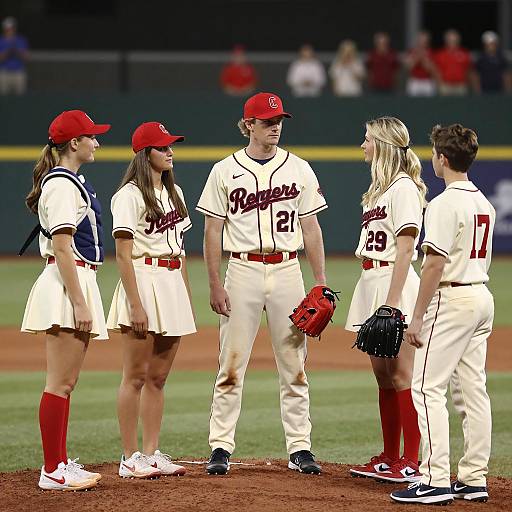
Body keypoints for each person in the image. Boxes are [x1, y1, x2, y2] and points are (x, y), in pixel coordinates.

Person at [196, 92, 328, 476]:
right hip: (242, 271)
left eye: (279, 120)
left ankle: (300, 447)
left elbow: (311, 228)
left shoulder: (299, 168)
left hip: (288, 269)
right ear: (248, 125)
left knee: (294, 365)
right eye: (267, 121)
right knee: (231, 364)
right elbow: (212, 230)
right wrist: (214, 283)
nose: (275, 126)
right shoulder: (224, 170)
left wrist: (319, 282)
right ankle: (220, 446)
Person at [391, 124, 495, 505]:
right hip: (481, 295)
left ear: (443, 159)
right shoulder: (484, 202)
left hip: (452, 299)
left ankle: (433, 478)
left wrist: (416, 317)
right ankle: (473, 477)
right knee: (472, 390)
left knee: (425, 386)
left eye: (434, 152)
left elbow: (434, 264)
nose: (432, 158)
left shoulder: (444, 203)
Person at [21, 110, 111, 490]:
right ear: (74, 143)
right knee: (58, 382)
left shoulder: (70, 181)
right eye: (91, 136)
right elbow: (61, 245)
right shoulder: (60, 184)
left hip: (72, 279)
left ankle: (58, 463)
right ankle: (52, 469)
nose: (97, 142)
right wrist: (79, 301)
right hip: (65, 281)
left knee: (66, 382)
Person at [107, 122, 195, 479]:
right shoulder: (128, 195)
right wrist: (135, 303)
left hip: (171, 281)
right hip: (144, 279)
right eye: (163, 147)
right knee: (135, 377)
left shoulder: (175, 194)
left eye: (171, 146)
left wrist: (186, 297)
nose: (170, 152)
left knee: (158, 378)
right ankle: (130, 457)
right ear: (146, 155)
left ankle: (151, 452)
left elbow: (183, 252)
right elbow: (123, 255)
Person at [346, 117, 427, 484]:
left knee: (403, 374)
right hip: (371, 280)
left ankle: (412, 460)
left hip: (394, 285)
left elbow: (406, 248)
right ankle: (389, 457)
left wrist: (393, 303)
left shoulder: (404, 188)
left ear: (382, 144)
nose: (362, 145)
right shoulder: (378, 191)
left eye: (367, 139)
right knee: (383, 377)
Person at [435, 29, 472, 96]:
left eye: (454, 40)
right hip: (446, 86)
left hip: (460, 86)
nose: (452, 42)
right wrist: (440, 84)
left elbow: (468, 70)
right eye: (450, 40)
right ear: (446, 40)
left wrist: (466, 84)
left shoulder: (464, 53)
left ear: (458, 40)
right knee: (444, 106)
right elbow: (436, 71)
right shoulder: (440, 54)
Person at [0, 16, 29, 95]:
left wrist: (16, 50)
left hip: (19, 72)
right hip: (4, 73)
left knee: (20, 98)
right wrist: (8, 51)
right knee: (3, 98)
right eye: (7, 27)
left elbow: (26, 58)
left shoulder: (21, 40)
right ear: (4, 28)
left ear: (14, 28)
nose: (10, 29)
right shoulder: (1, 41)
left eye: (11, 27)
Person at [404, 31, 438, 97]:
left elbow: (431, 69)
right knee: (412, 103)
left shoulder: (431, 52)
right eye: (421, 39)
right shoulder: (411, 51)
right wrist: (417, 57)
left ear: (427, 41)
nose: (423, 42)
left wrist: (424, 59)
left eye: (425, 40)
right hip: (415, 81)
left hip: (427, 81)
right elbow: (409, 67)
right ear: (418, 40)